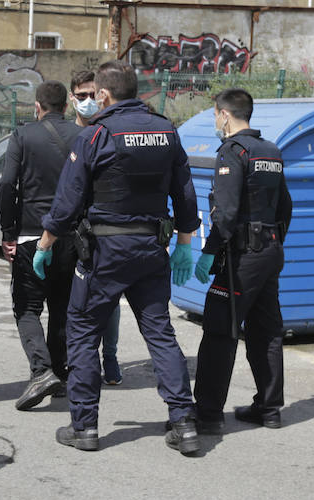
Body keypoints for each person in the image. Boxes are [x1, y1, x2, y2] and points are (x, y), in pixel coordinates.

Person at [37, 61, 200, 454]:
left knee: (82, 330)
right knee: (159, 333)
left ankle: (85, 426)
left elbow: (67, 203)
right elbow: (185, 192)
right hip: (150, 250)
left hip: (104, 253)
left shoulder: (96, 135)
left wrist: (44, 244)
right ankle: (184, 422)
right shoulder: (166, 131)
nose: (92, 101)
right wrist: (184, 242)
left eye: (95, 95)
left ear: (105, 95)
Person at [191, 89, 293, 432]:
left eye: (215, 116)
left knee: (220, 330)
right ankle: (269, 409)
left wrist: (208, 254)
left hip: (242, 258)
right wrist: (271, 242)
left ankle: (207, 415)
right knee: (267, 331)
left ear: (224, 115)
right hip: (270, 252)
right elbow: (285, 208)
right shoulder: (272, 151)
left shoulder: (233, 152)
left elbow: (227, 213)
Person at [0, 81, 81, 411]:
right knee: (62, 306)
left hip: (32, 234)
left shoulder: (23, 135)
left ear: (38, 106)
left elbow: (7, 184)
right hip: (71, 236)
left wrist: (8, 232)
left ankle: (41, 371)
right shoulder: (81, 136)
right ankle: (59, 373)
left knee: (27, 306)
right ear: (66, 105)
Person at [70, 69, 123, 384]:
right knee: (75, 302)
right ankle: (76, 363)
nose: (88, 101)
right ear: (72, 98)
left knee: (111, 302)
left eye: (93, 95)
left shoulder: (110, 132)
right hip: (73, 231)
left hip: (105, 232)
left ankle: (111, 357)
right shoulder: (69, 135)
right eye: (82, 96)